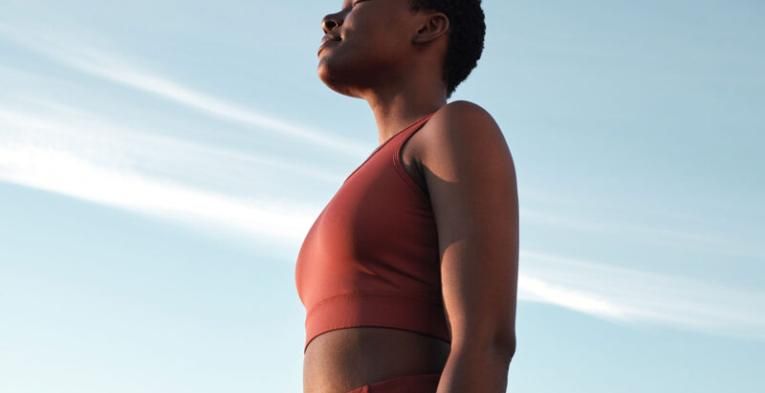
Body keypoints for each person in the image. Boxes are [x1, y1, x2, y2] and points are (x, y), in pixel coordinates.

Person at [297, 0, 519, 392]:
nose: (331, 20)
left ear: (429, 27)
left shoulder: (455, 129)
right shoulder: (361, 180)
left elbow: (485, 342)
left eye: (357, 4)